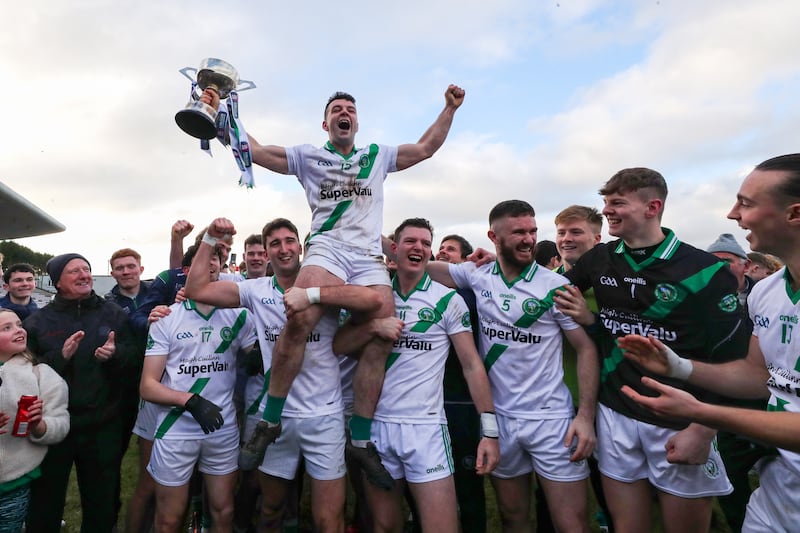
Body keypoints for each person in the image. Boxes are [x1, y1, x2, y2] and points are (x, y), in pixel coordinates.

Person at [200, 85, 467, 485]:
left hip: (367, 258)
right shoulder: (309, 156)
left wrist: (449, 108)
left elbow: (425, 148)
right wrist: (225, 116)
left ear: (356, 122)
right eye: (337, 110)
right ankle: (269, 420)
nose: (345, 114)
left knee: (386, 331)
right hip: (327, 248)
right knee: (299, 314)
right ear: (326, 124)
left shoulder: (376, 155)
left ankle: (359, 440)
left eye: (350, 110)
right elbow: (257, 151)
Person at [556, 168, 748, 533]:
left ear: (652, 207)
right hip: (616, 412)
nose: (607, 211)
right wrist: (493, 267)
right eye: (606, 203)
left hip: (679, 418)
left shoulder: (705, 270)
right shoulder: (599, 259)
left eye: (617, 203)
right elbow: (552, 293)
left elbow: (733, 361)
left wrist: (703, 428)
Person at [617, 153, 800, 532]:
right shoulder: (767, 291)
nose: (733, 214)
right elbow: (756, 374)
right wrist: (678, 367)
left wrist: (702, 415)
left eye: (746, 203)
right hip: (776, 495)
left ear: (795, 214)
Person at [185, 217, 387, 533]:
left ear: (301, 247)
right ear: (265, 252)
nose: (284, 248)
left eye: (289, 240)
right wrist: (210, 238)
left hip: (325, 415)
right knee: (271, 509)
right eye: (275, 243)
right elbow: (196, 289)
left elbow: (373, 299)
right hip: (275, 419)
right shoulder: (256, 290)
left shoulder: (328, 286)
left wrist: (312, 295)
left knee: (327, 520)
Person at [427, 200, 600, 532]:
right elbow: (426, 268)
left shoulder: (554, 286)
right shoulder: (478, 275)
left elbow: (586, 349)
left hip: (551, 421)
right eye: (518, 232)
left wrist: (585, 417)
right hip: (500, 420)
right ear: (494, 236)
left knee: (571, 523)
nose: (528, 239)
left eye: (532, 231)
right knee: (513, 517)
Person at [333, 218, 499, 533]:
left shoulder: (447, 300)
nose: (418, 247)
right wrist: (372, 327)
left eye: (425, 243)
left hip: (426, 431)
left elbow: (471, 364)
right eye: (411, 241)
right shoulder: (373, 299)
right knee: (386, 526)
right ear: (394, 250)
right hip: (376, 428)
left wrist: (489, 430)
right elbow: (339, 344)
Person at [140, 243, 257, 533]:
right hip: (176, 428)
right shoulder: (167, 317)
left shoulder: (240, 316)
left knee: (223, 512)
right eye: (203, 260)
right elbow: (148, 386)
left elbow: (258, 360)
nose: (211, 264)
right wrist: (190, 401)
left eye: (216, 259)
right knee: (169, 518)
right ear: (186, 271)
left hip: (223, 426)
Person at [23, 253, 138, 532]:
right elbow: (25, 372)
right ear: (58, 282)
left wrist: (115, 354)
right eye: (74, 271)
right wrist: (59, 357)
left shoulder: (113, 314)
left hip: (102, 424)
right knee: (45, 501)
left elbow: (135, 359)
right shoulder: (39, 322)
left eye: (86, 269)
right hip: (54, 428)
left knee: (102, 501)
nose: (84, 275)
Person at [705, 233, 772, 531]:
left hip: (773, 402)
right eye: (712, 263)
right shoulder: (700, 300)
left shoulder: (767, 295)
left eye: (726, 262)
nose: (718, 268)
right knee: (731, 477)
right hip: (727, 402)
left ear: (745, 266)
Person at [431, 232, 490, 533]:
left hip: (463, 400)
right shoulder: (423, 294)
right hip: (430, 402)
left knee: (467, 483)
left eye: (450, 250)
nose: (442, 253)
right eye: (440, 248)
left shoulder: (471, 295)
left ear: (466, 261)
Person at [0, 308, 70, 532]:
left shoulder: (41, 375)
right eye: (6, 328)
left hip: (14, 483)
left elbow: (60, 422)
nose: (19, 331)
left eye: (19, 325)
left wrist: (40, 425)